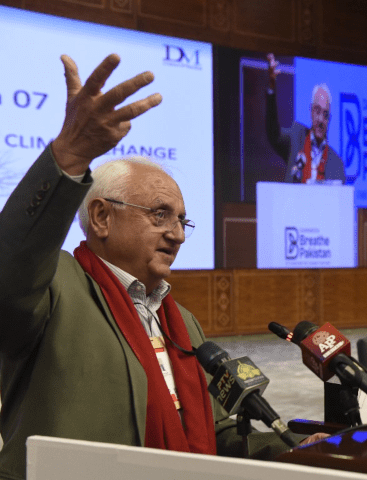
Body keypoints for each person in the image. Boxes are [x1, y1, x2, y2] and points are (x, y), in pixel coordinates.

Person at [0, 54, 322, 480]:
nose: (178, 235)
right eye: (159, 215)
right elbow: (10, 273)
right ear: (101, 218)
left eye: (182, 220)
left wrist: (294, 450)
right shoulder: (55, 287)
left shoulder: (183, 324)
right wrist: (70, 154)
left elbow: (219, 433)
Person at [265, 53, 345, 183]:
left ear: (329, 119)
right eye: (317, 111)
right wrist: (271, 88)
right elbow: (273, 134)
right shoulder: (296, 137)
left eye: (325, 114)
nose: (320, 119)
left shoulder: (337, 165)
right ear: (311, 112)